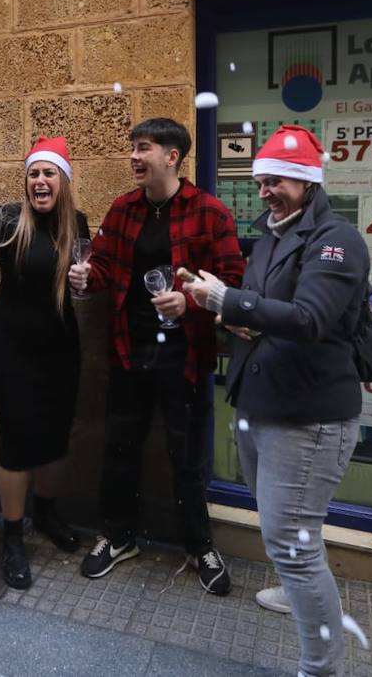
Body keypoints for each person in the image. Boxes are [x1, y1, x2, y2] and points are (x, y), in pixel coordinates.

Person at [180, 124, 369, 677]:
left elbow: (310, 318)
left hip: (308, 415)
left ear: (308, 181)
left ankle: (321, 665)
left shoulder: (336, 239)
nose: (265, 191)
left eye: (277, 182)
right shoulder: (274, 235)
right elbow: (263, 308)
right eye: (261, 181)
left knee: (292, 540)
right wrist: (231, 313)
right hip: (265, 402)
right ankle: (298, 589)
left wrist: (229, 299)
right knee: (286, 529)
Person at [67, 117, 243, 594]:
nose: (133, 157)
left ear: (172, 156)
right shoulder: (123, 208)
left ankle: (199, 545)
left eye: (143, 148)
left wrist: (190, 302)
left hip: (185, 354)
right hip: (129, 350)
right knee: (120, 449)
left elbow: (233, 284)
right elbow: (102, 266)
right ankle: (118, 536)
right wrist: (86, 278)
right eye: (133, 148)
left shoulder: (210, 213)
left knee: (186, 457)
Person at [0, 136, 89, 589]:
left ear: (63, 181)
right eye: (33, 173)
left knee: (56, 435)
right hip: (11, 348)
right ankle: (12, 538)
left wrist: (86, 282)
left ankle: (46, 513)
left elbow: (85, 284)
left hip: (61, 345)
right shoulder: (9, 218)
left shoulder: (79, 224)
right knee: (18, 441)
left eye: (48, 173)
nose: (39, 181)